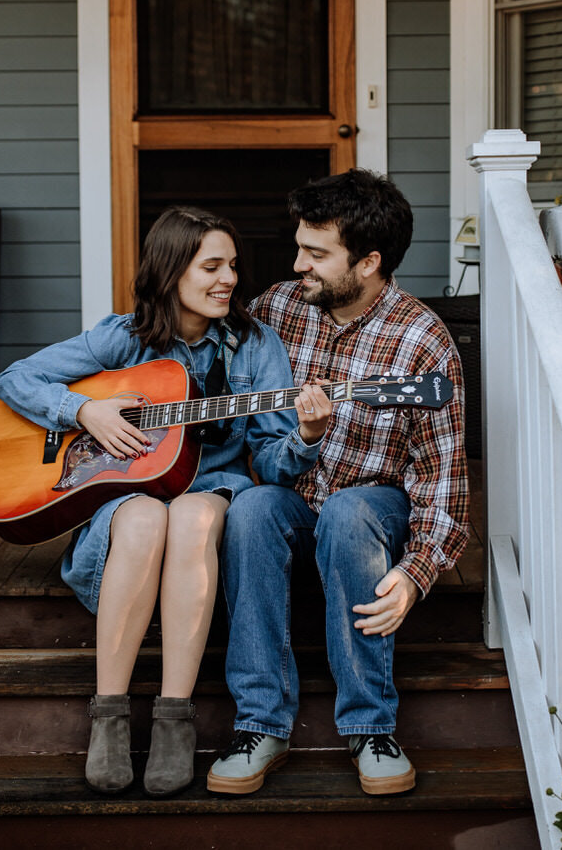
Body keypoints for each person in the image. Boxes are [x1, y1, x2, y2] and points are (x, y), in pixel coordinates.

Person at [0, 206, 330, 797]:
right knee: (148, 517)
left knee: (194, 516)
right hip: (126, 501)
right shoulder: (123, 337)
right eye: (211, 267)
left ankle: (175, 715)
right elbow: (14, 379)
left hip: (213, 491)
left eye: (232, 266)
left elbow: (273, 461)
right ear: (172, 272)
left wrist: (304, 438)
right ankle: (110, 716)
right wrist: (84, 410)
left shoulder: (254, 346)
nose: (228, 279)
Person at [206, 169, 468, 797]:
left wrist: (416, 573)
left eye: (316, 254)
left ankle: (371, 725)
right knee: (252, 509)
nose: (298, 265)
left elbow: (445, 488)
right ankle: (259, 724)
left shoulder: (421, 343)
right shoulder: (274, 310)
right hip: (293, 501)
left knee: (349, 512)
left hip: (370, 509)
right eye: (299, 247)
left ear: (370, 262)